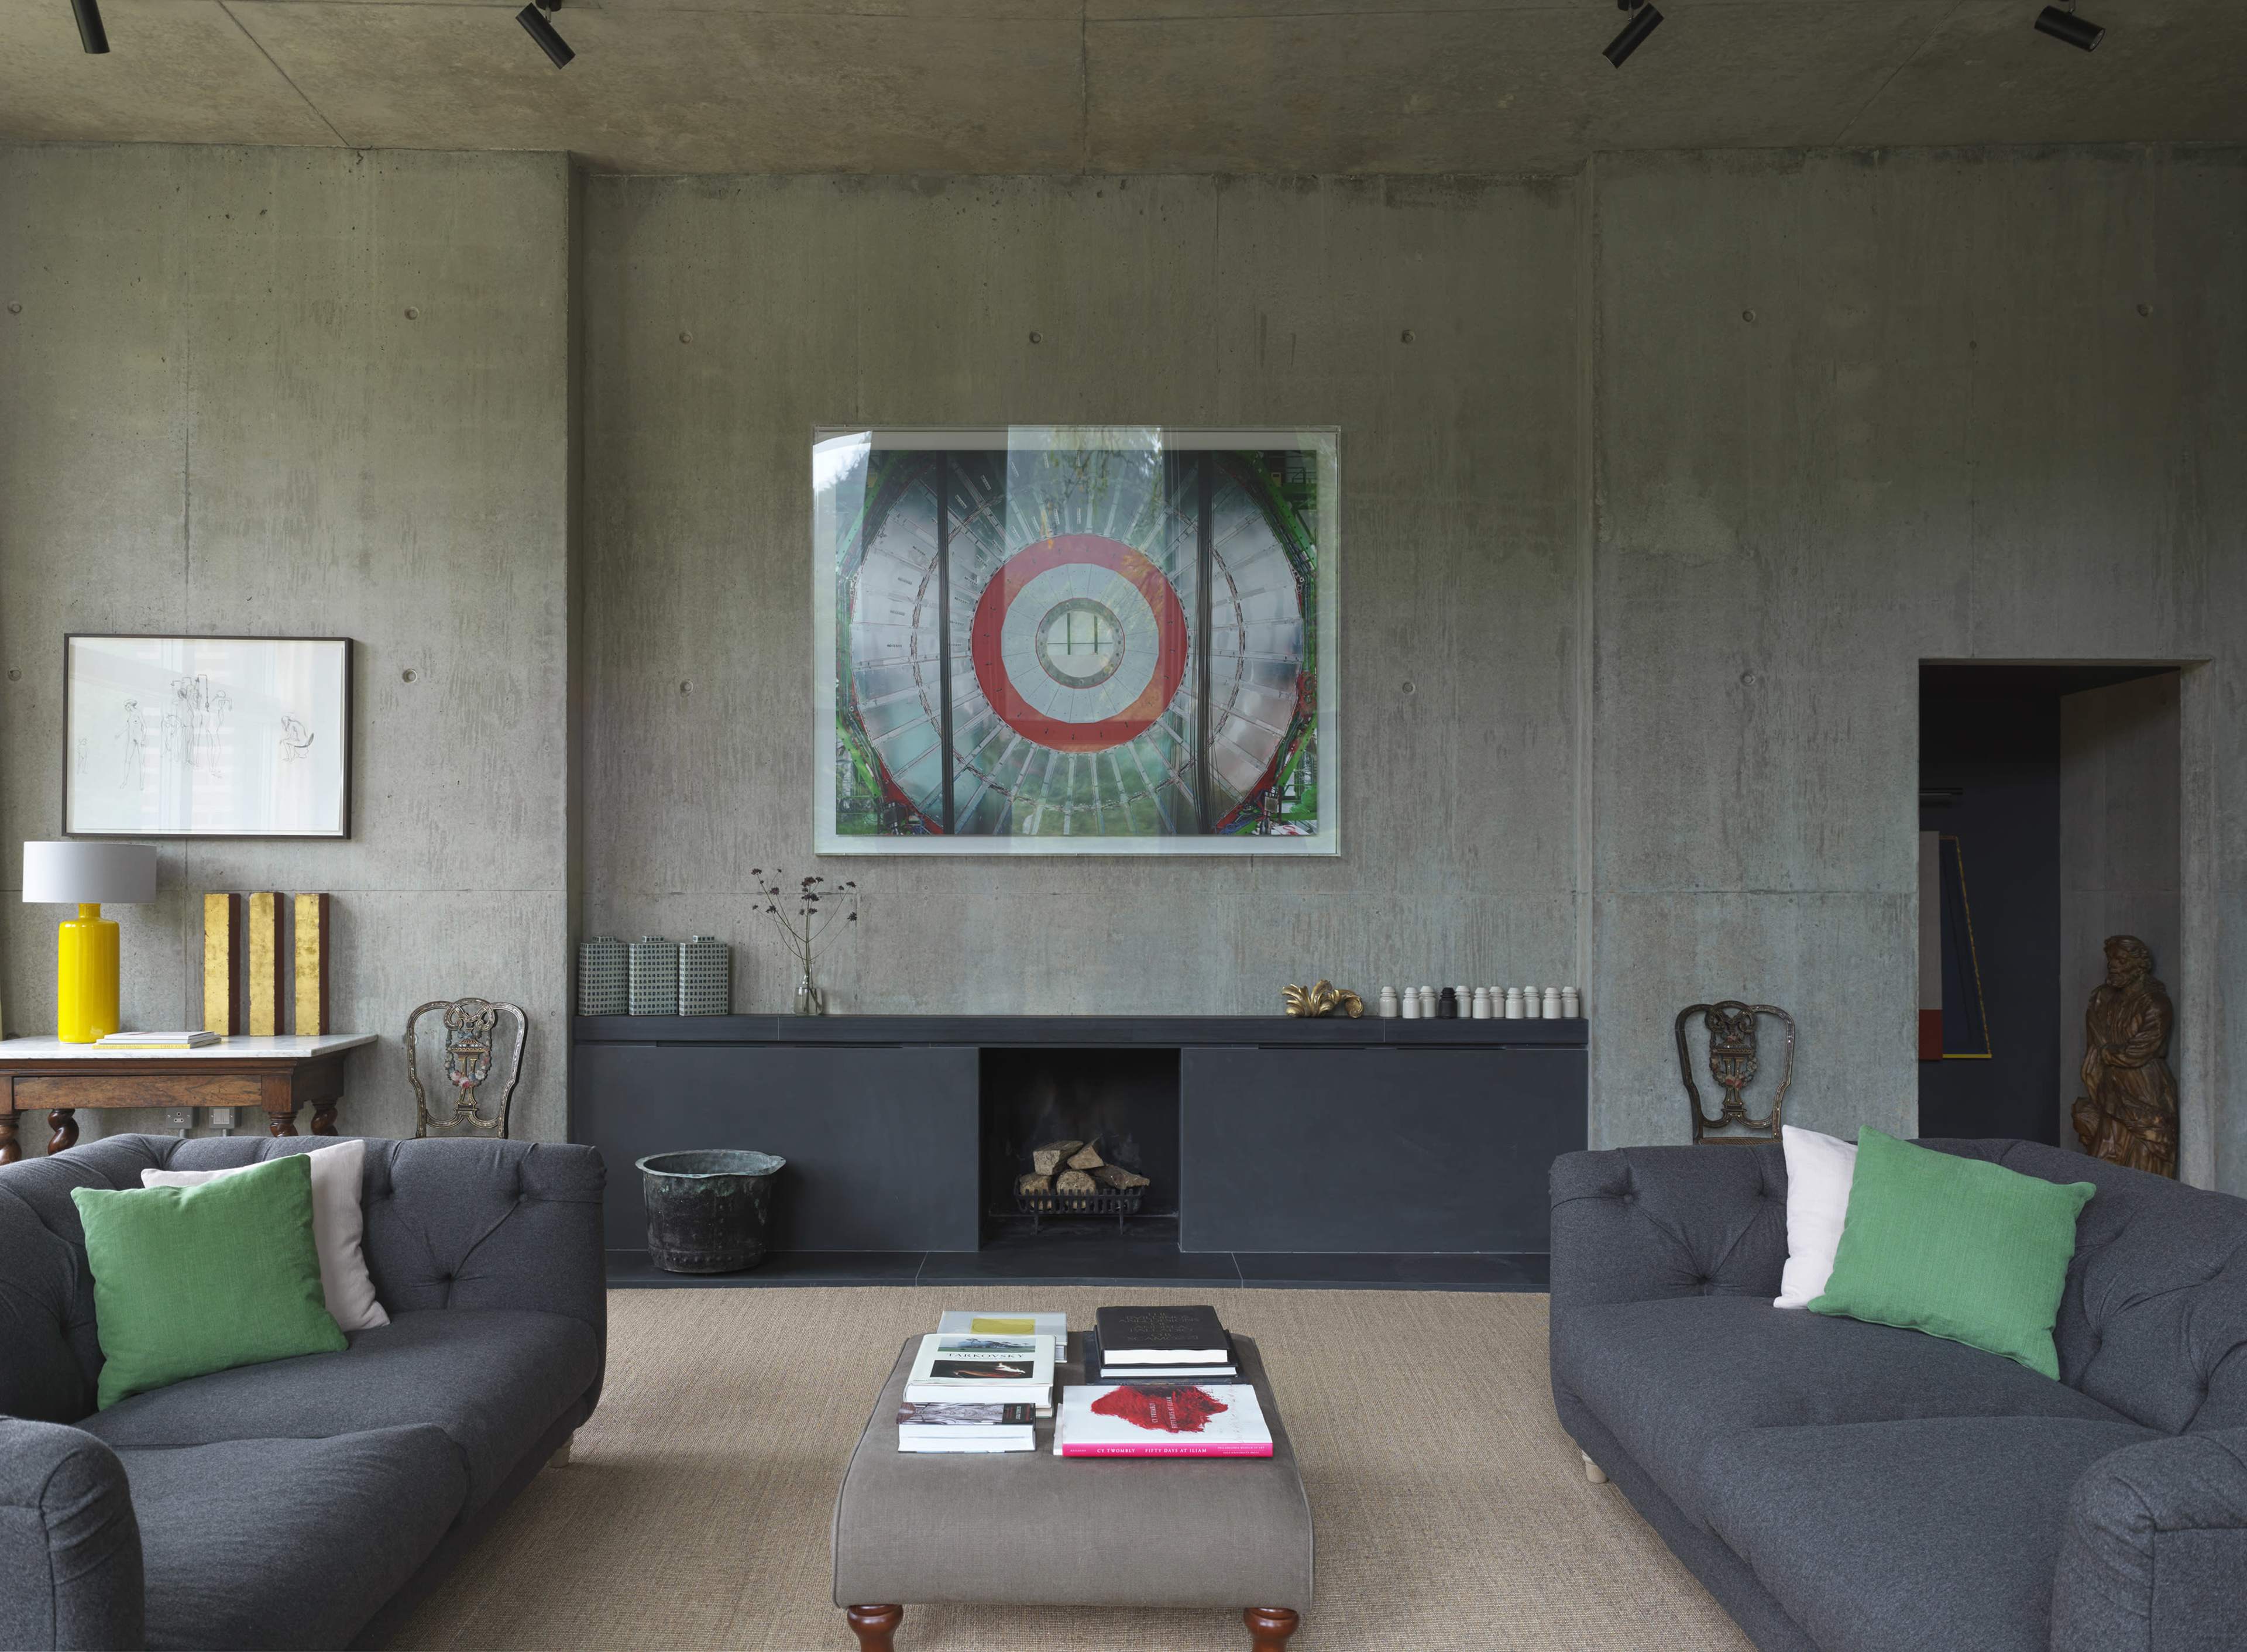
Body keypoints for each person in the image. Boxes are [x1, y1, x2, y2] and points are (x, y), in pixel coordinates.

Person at [2071, 935, 2178, 1179]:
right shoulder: (2105, 1001)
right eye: (2111, 960)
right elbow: (2096, 1040)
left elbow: (2138, 1051)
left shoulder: (2156, 1003)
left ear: (2140, 966)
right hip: (2111, 1089)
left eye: (2121, 960)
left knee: (2145, 1158)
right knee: (2104, 1158)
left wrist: (2107, 1053)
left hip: (2145, 1088)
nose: (2113, 965)